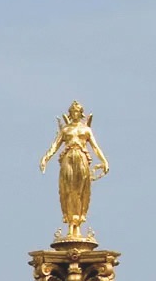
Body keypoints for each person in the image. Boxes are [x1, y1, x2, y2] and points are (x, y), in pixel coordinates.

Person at [38, 101, 109, 242]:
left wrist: (104, 161)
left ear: (81, 113)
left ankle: (78, 222)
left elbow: (95, 147)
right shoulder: (66, 130)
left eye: (77, 111)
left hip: (82, 158)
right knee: (68, 190)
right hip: (68, 158)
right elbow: (55, 146)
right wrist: (45, 158)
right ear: (70, 113)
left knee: (80, 191)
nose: (75, 113)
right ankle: (70, 223)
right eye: (73, 111)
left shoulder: (86, 130)